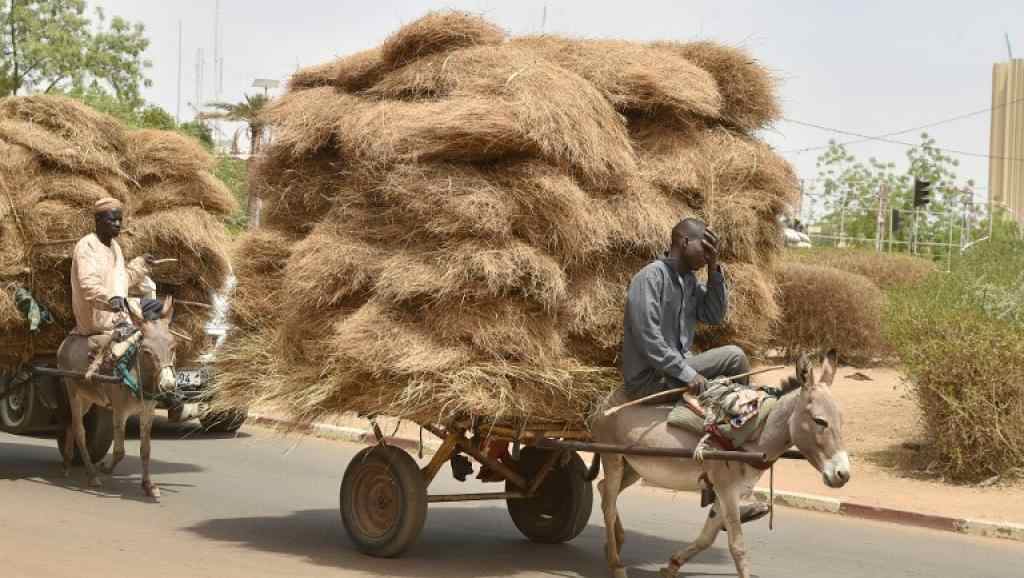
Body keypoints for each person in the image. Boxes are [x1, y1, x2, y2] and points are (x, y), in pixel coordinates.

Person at [621, 217, 750, 403]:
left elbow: (714, 316)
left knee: (729, 373)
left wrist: (714, 268)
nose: (708, 256)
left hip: (673, 370)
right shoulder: (650, 278)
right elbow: (648, 338)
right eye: (705, 249)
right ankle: (742, 413)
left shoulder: (689, 281)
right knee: (735, 357)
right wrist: (687, 373)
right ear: (685, 242)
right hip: (651, 379)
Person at [71, 198, 154, 376]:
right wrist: (111, 300)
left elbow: (121, 280)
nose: (118, 224)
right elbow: (89, 286)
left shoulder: (115, 247)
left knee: (157, 314)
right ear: (98, 221)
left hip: (119, 319)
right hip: (97, 323)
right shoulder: (86, 247)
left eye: (119, 220)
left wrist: (141, 264)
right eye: (112, 220)